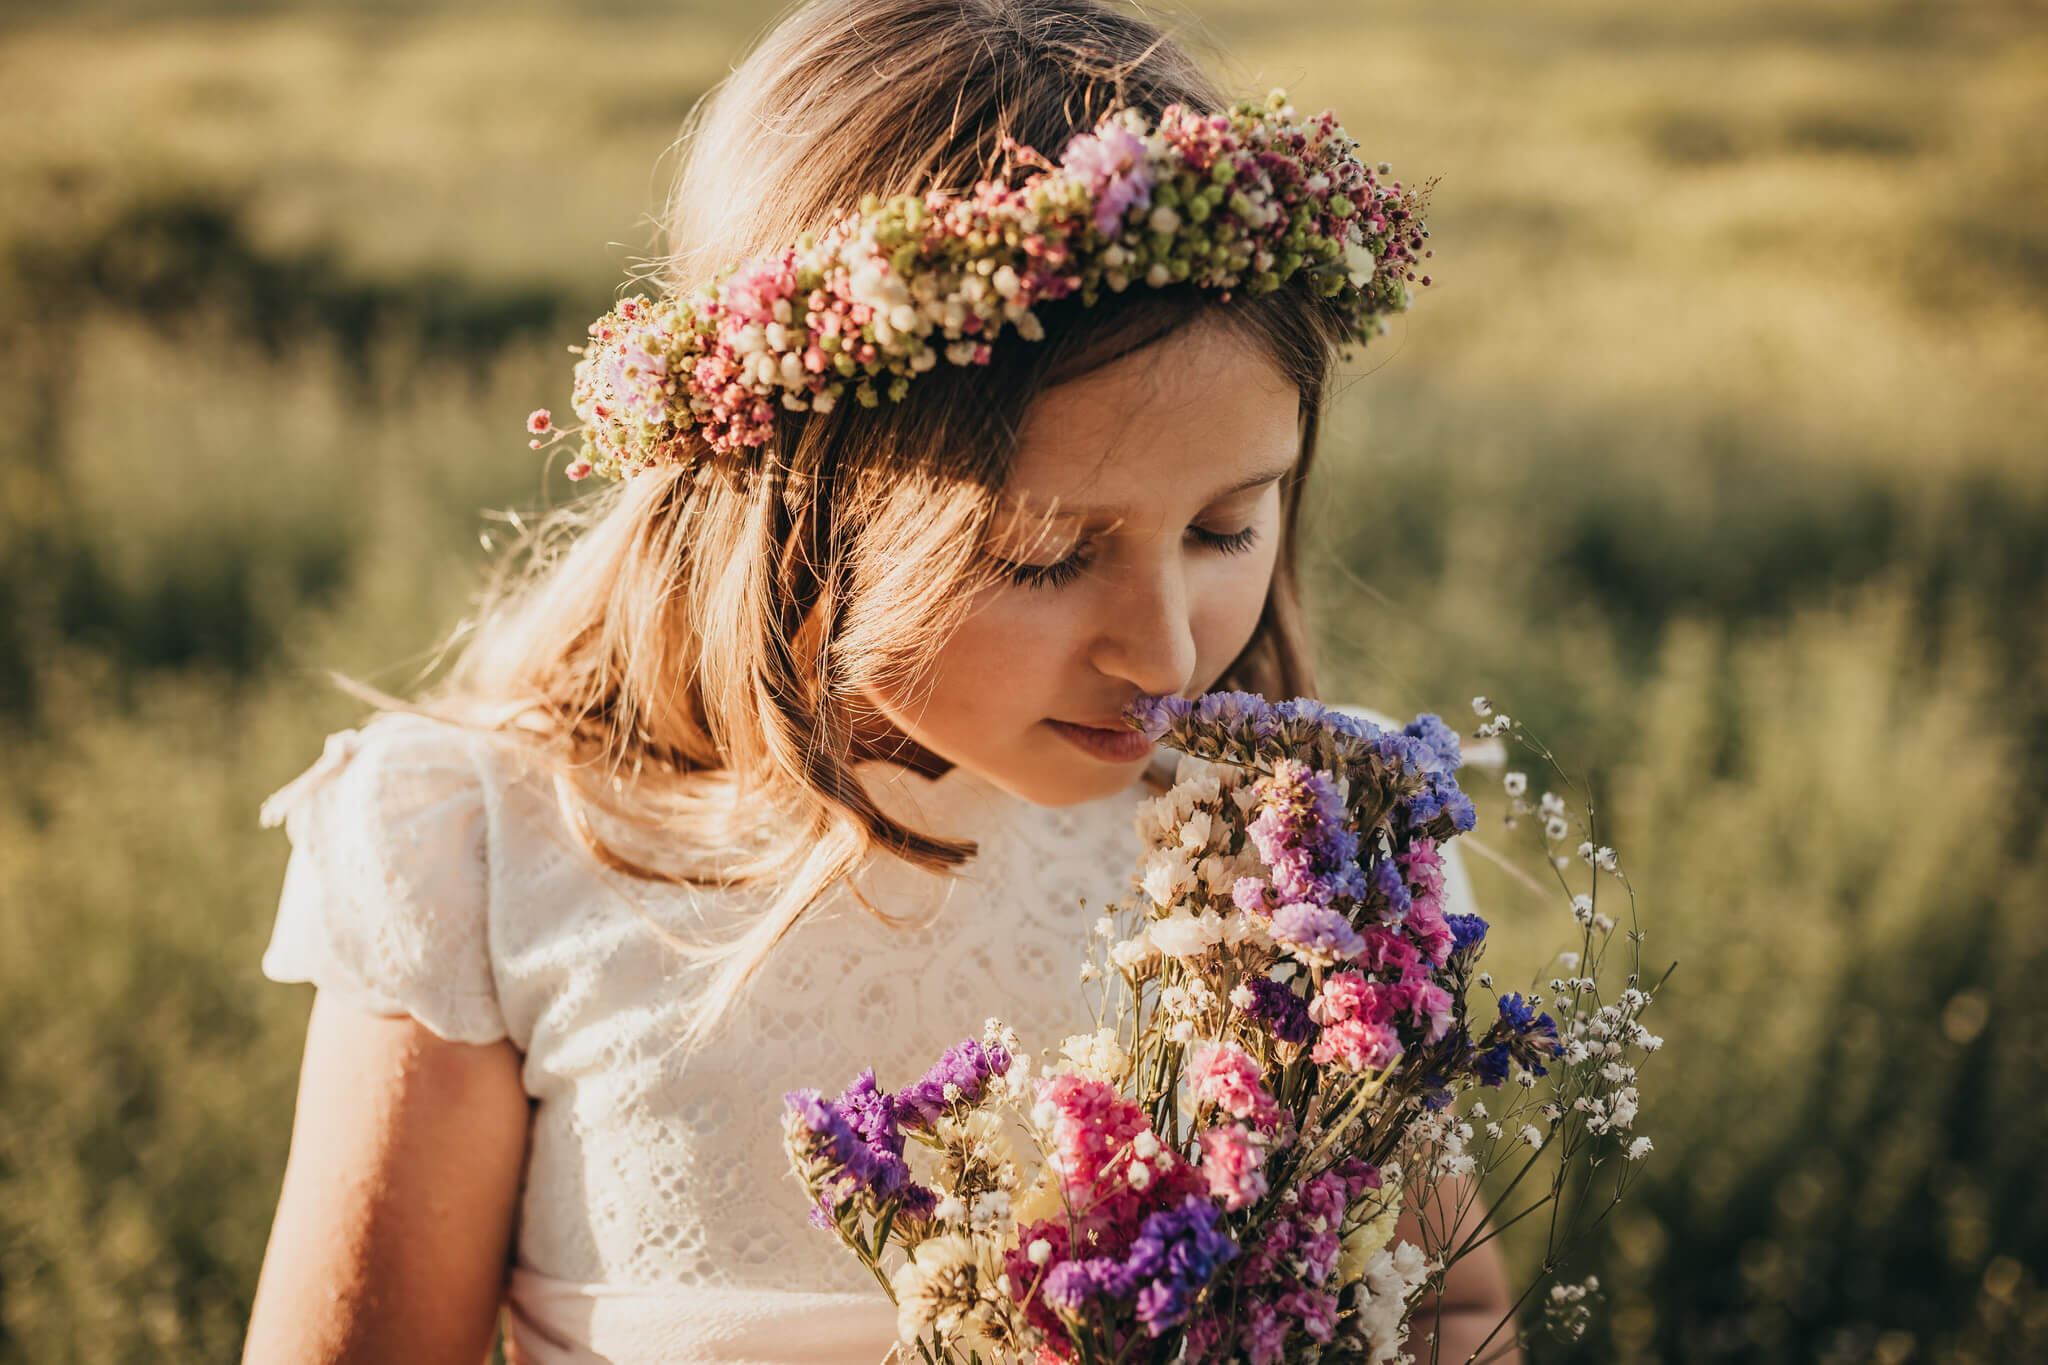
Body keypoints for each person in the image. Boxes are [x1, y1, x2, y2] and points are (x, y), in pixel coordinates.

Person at [241, 1, 1522, 1361]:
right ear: (797, 508)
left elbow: (1451, 1306)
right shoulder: (487, 856)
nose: (1161, 652)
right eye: (1040, 556)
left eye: (1224, 529)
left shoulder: (1325, 848)